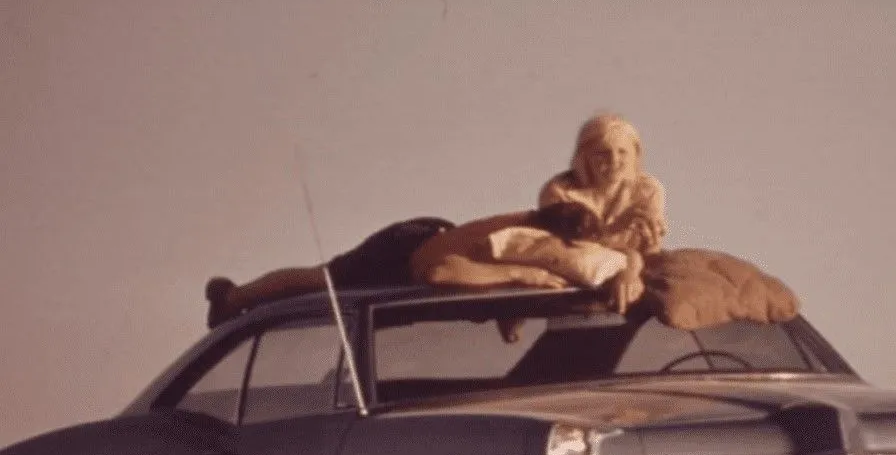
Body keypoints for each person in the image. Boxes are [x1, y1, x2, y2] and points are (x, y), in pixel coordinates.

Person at [204, 203, 599, 328]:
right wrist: (518, 275)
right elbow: (440, 273)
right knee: (323, 279)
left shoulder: (557, 246)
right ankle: (233, 295)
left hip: (438, 242)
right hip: (406, 249)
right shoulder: (522, 234)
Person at [538, 113, 667, 312]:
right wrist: (616, 230)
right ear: (584, 157)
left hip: (631, 284)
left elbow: (651, 252)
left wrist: (650, 244)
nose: (614, 160)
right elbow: (568, 253)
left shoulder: (648, 190)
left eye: (622, 152)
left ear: (635, 155)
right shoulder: (560, 192)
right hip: (573, 288)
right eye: (602, 153)